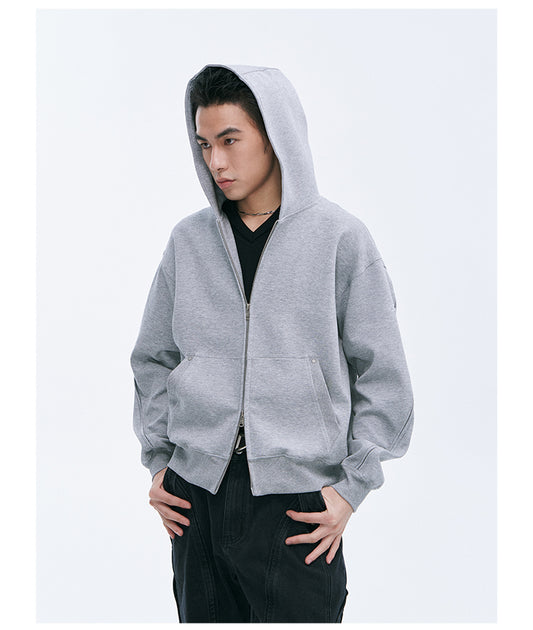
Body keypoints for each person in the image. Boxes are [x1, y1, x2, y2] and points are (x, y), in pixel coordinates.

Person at [130, 63, 414, 623]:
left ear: (275, 136)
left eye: (230, 140)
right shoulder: (188, 241)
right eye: (204, 144)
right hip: (195, 497)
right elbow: (153, 358)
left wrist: (351, 489)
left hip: (297, 506)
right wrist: (160, 463)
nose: (216, 162)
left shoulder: (340, 239)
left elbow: (384, 377)